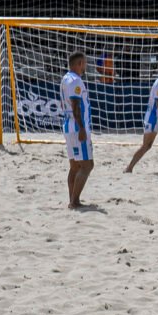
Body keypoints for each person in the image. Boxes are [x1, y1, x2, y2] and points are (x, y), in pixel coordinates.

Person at [61, 52, 94, 209]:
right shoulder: (75, 81)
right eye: (84, 63)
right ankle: (74, 201)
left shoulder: (66, 78)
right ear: (79, 63)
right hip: (76, 126)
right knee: (87, 165)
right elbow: (75, 105)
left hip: (69, 125)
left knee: (75, 166)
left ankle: (72, 199)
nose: (85, 66)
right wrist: (82, 127)